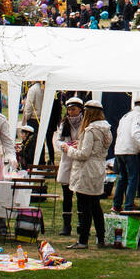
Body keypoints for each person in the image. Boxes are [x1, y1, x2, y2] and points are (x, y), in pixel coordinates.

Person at [64, 98, 112, 249]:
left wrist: (69, 150)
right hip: (99, 168)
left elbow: (84, 154)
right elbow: (97, 148)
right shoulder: (106, 129)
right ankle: (100, 237)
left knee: (84, 206)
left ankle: (83, 240)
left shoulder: (90, 129)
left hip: (87, 170)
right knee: (95, 205)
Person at [113, 98, 140, 212]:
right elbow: (135, 133)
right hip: (130, 151)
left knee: (122, 178)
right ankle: (129, 205)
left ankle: (117, 204)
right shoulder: (139, 116)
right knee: (133, 178)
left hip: (119, 150)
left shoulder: (125, 116)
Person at [56, 96, 84, 236]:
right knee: (67, 195)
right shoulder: (64, 123)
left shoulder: (85, 123)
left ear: (79, 109)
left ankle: (81, 224)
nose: (71, 112)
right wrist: (64, 145)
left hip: (79, 160)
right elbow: (58, 140)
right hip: (67, 160)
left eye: (73, 109)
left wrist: (79, 144)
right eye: (69, 110)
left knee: (80, 194)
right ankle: (66, 225)